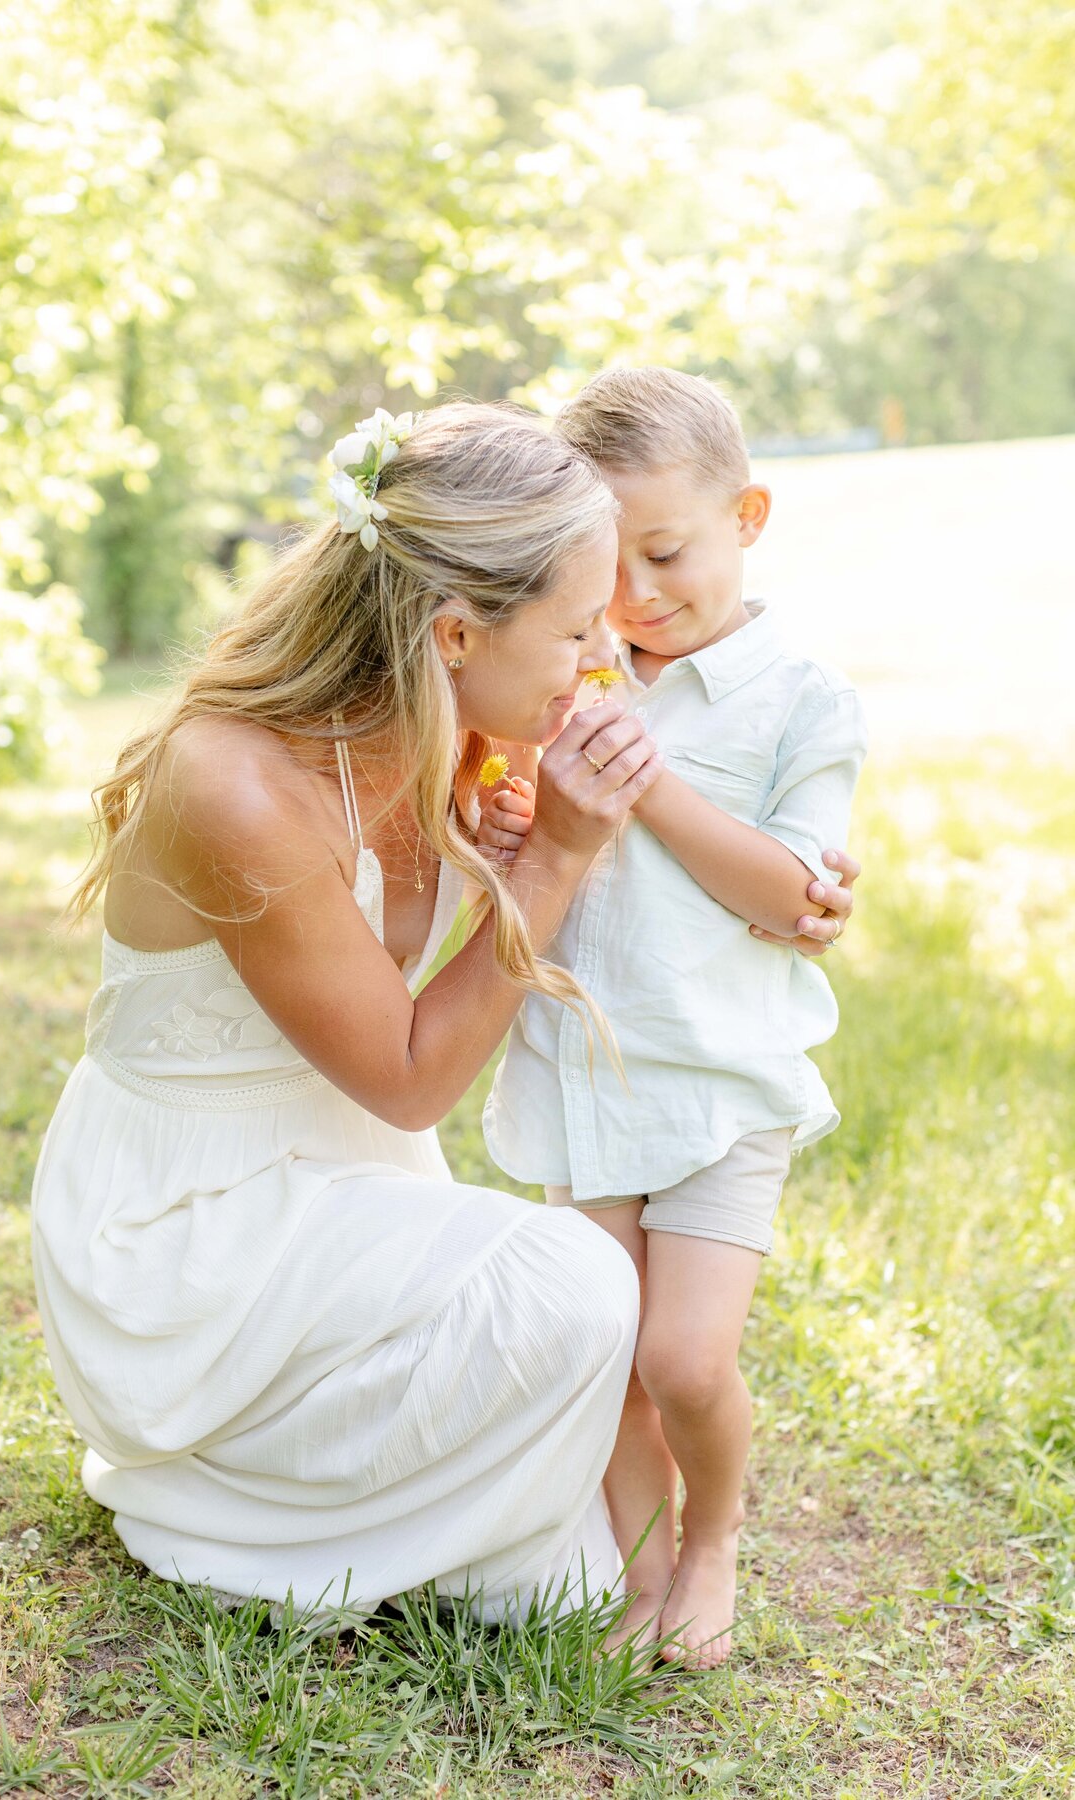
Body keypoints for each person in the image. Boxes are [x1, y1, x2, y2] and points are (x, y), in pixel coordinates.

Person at [31, 398, 857, 1623]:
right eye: (578, 629)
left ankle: (396, 1484)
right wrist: (552, 864)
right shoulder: (235, 785)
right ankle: (238, 1475)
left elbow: (720, 872)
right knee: (579, 1287)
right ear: (458, 633)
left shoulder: (443, 725)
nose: (598, 661)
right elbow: (414, 1076)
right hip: (196, 1227)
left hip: (344, 1171)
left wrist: (781, 886)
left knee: (573, 1499)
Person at [481, 368, 866, 1663]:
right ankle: (640, 1571)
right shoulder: (563, 674)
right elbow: (514, 860)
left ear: (746, 516)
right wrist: (495, 827)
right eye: (608, 568)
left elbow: (796, 897)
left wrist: (644, 785)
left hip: (719, 1086)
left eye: (665, 553)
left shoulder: (802, 697)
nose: (635, 599)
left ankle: (713, 1535)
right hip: (582, 1074)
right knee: (609, 1361)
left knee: (685, 1361)